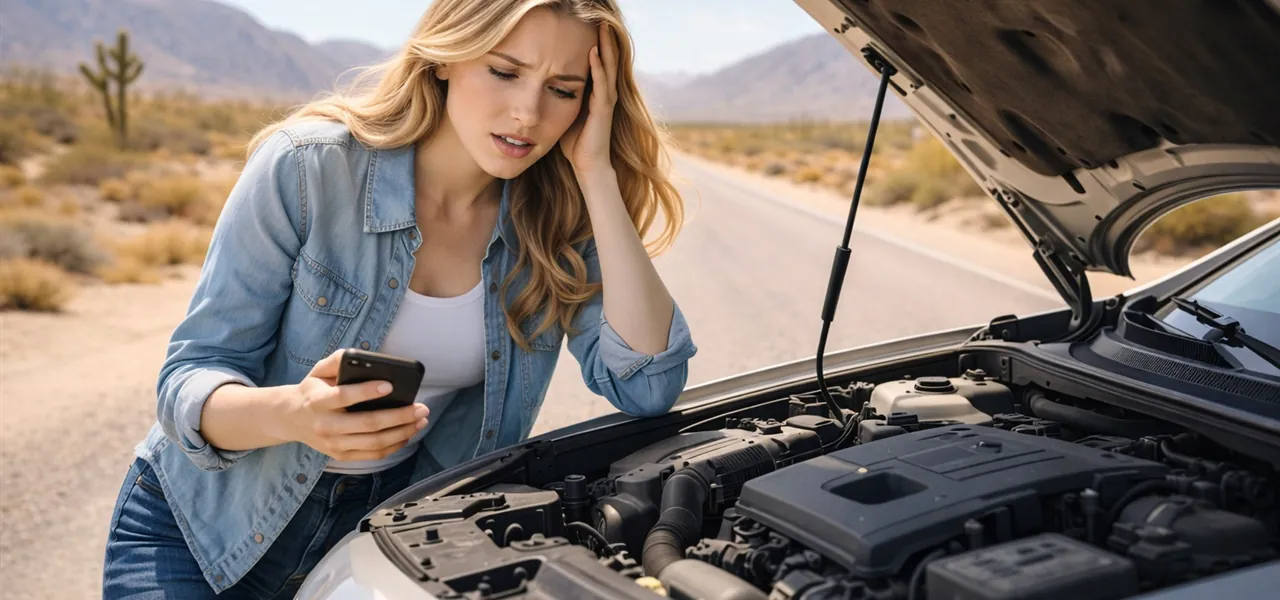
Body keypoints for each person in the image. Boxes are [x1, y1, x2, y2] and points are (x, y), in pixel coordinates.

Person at [100, 0, 696, 597]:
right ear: (446, 58)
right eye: (504, 71)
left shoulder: (556, 221)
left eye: (563, 90)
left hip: (382, 543)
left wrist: (596, 175)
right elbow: (189, 377)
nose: (528, 113)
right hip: (204, 530)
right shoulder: (309, 168)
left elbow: (647, 386)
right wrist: (294, 415)